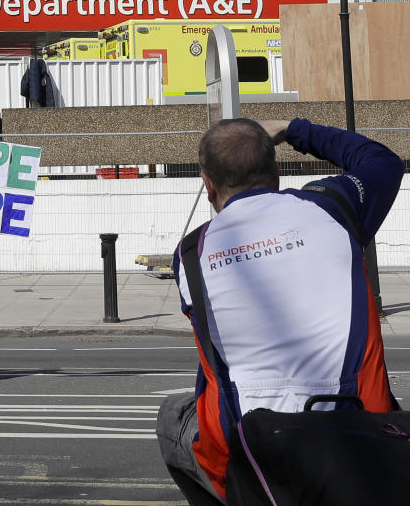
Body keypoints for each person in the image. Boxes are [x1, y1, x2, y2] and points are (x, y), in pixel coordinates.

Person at [157, 118, 403, 504]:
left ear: (207, 185)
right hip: (363, 444)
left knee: (174, 415)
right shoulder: (331, 207)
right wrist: (293, 129)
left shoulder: (190, 254)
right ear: (276, 170)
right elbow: (382, 161)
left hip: (252, 461)